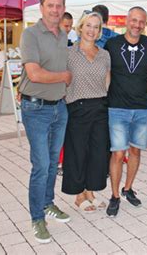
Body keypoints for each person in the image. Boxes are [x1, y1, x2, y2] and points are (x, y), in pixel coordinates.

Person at [18, 0, 72, 244]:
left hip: (59, 107)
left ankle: (48, 203)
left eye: (59, 6)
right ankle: (37, 217)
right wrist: (63, 77)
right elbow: (35, 73)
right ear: (41, 8)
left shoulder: (63, 36)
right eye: (50, 5)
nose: (55, 10)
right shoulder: (30, 35)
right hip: (36, 109)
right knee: (40, 165)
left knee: (52, 163)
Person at [104, 6, 147, 217]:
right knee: (118, 153)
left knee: (135, 151)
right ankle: (115, 195)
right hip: (117, 107)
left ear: (145, 23)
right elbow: (104, 70)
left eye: (141, 21)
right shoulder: (112, 44)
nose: (137, 25)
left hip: (142, 108)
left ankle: (128, 189)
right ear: (127, 20)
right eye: (134, 20)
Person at [61, 11, 111, 212]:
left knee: (98, 153)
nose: (92, 30)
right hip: (77, 107)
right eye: (88, 25)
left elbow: (108, 81)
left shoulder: (105, 54)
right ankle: (79, 195)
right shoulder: (68, 53)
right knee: (77, 153)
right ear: (80, 27)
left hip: (100, 107)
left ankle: (91, 191)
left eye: (96, 27)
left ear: (100, 31)